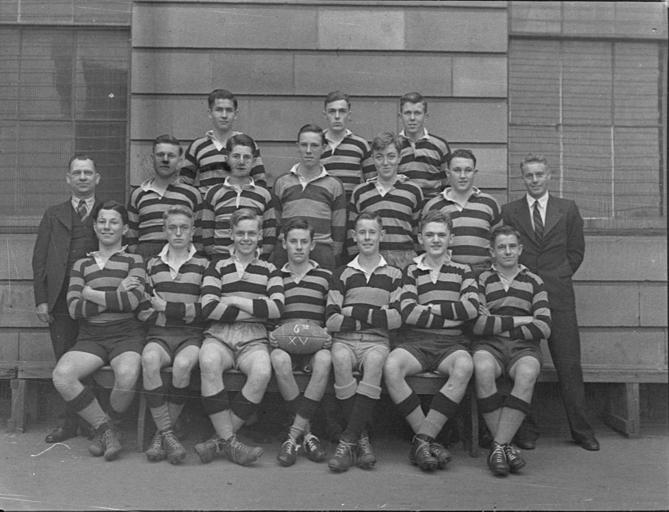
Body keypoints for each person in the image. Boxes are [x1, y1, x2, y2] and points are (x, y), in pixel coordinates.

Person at [502, 154, 599, 451]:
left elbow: (576, 251)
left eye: (539, 174)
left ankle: (581, 431)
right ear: (522, 178)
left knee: (569, 364)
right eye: (528, 175)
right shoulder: (510, 211)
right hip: (523, 297)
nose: (534, 180)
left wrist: (560, 274)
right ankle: (526, 430)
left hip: (558, 295)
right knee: (522, 362)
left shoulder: (567, 209)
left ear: (549, 176)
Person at [384, 209, 479, 471]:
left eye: (441, 235)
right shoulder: (411, 271)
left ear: (451, 238)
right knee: (392, 366)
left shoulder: (464, 271)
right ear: (420, 238)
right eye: (429, 235)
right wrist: (451, 315)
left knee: (464, 366)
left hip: (450, 345)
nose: (435, 240)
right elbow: (408, 312)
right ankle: (429, 441)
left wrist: (430, 309)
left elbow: (471, 308)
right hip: (416, 342)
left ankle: (422, 441)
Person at [51, 201, 146, 461]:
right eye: (102, 221)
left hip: (126, 335)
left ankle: (109, 427)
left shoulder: (134, 260)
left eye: (114, 222)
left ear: (124, 228)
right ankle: (105, 430)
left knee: (127, 374)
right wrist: (117, 293)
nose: (107, 227)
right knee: (62, 375)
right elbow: (74, 309)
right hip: (91, 336)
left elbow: (132, 302)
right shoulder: (82, 264)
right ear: (94, 226)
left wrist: (91, 293)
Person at [194, 208, 285, 466]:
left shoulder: (270, 269)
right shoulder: (217, 266)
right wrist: (256, 308)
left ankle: (219, 441)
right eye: (241, 233)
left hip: (254, 338)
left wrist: (233, 299)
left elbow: (277, 308)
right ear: (232, 235)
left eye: (251, 233)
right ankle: (231, 443)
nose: (246, 238)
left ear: (259, 235)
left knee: (262, 371)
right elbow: (208, 308)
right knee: (208, 361)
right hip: (219, 334)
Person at [32, 155, 102, 444]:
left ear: (97, 178)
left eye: (88, 172)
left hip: (95, 297)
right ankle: (67, 423)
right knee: (63, 358)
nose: (83, 177)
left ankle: (93, 423)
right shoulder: (53, 214)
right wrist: (42, 299)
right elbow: (40, 258)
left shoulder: (106, 212)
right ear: (68, 179)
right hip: (61, 298)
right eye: (77, 173)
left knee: (93, 359)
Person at [326, 212, 403, 473]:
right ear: (354, 236)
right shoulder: (342, 273)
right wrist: (375, 316)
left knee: (375, 362)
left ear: (381, 235)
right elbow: (332, 320)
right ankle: (361, 440)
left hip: (376, 342)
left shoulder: (394, 274)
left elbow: (396, 319)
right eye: (362, 232)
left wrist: (352, 311)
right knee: (339, 359)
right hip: (344, 341)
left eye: (372, 232)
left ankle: (348, 440)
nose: (367, 237)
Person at [472, 225, 552, 476]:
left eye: (512, 247)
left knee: (527, 373)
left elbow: (544, 326)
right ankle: (506, 447)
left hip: (524, 348)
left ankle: (498, 445)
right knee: (482, 367)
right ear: (492, 251)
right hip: (489, 346)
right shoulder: (481, 280)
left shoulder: (534, 281)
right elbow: (478, 325)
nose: (507, 252)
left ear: (520, 249)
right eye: (501, 247)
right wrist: (524, 320)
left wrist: (497, 324)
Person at [137, 206, 209, 464]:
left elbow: (204, 311)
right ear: (164, 230)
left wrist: (166, 307)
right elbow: (143, 309)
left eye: (184, 228)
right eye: (172, 228)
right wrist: (181, 311)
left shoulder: (204, 265)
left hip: (191, 336)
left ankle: (159, 435)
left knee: (183, 365)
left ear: (193, 231)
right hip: (159, 334)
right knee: (149, 360)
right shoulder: (152, 264)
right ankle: (168, 434)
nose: (178, 233)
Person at [270, 217, 333, 467]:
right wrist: (272, 334)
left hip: (314, 345)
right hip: (285, 344)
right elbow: (269, 313)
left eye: (304, 242)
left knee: (325, 359)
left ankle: (293, 436)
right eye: (293, 241)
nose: (298, 247)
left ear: (312, 244)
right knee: (278, 359)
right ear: (284, 243)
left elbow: (332, 313)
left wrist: (327, 333)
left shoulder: (325, 277)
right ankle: (307, 435)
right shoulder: (275, 276)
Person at [272, 124, 347, 270]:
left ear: (323, 148)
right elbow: (276, 221)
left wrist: (333, 253)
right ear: (297, 146)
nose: (308, 150)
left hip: (322, 251)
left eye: (314, 145)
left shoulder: (334, 185)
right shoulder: (282, 182)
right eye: (304, 145)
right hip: (287, 252)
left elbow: (339, 227)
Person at [348, 131, 423, 270]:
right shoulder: (360, 192)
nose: (385, 163)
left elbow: (418, 231)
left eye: (391, 156)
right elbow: (351, 235)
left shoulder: (413, 191)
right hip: (370, 260)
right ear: (372, 159)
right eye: (379, 157)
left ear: (399, 157)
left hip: (405, 261)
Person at [421, 148, 501, 275]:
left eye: (468, 170)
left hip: (483, 273)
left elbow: (499, 242)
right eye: (457, 170)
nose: (463, 176)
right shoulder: (433, 206)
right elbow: (423, 243)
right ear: (448, 173)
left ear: (474, 173)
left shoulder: (490, 204)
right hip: (445, 272)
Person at [201, 133, 276, 261]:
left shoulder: (264, 195)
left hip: (254, 262)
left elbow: (270, 237)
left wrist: (258, 260)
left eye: (246, 157)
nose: (241, 162)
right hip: (220, 263)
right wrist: (218, 260)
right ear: (227, 159)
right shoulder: (213, 193)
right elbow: (207, 236)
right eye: (236, 156)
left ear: (254, 161)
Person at [127, 134, 203, 261]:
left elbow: (198, 237)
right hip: (146, 260)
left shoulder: (192, 194)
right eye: (160, 155)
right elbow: (131, 237)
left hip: (182, 261)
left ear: (180, 161)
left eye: (171, 155)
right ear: (152, 159)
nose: (165, 160)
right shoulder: (138, 194)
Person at [179, 88, 267, 190]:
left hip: (240, 199)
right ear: (210, 113)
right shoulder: (197, 146)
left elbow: (260, 182)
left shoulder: (247, 144)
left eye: (229, 110)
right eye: (219, 110)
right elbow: (184, 184)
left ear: (235, 114)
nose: (224, 115)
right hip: (207, 199)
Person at [320, 90, 376, 203]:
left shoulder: (361, 145)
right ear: (325, 115)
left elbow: (372, 181)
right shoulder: (316, 143)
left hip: (351, 207)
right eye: (332, 111)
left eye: (342, 111)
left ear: (349, 115)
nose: (337, 116)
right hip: (322, 206)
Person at [397, 91, 451, 201]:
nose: (412, 118)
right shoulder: (393, 145)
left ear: (425, 116)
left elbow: (447, 183)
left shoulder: (440, 146)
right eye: (407, 113)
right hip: (402, 205)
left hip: (432, 207)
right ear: (400, 116)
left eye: (417, 113)